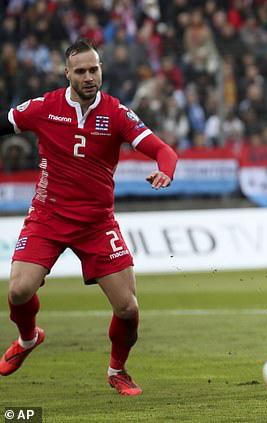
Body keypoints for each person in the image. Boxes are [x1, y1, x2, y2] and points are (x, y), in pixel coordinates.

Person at [0, 38, 178, 396]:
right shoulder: (43, 107)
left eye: (93, 69)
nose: (88, 77)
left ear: (101, 70)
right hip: (48, 217)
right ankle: (28, 337)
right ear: (67, 74)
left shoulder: (116, 113)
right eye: (80, 71)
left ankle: (118, 370)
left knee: (127, 308)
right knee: (19, 290)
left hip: (96, 223)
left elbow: (162, 150)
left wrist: (166, 170)